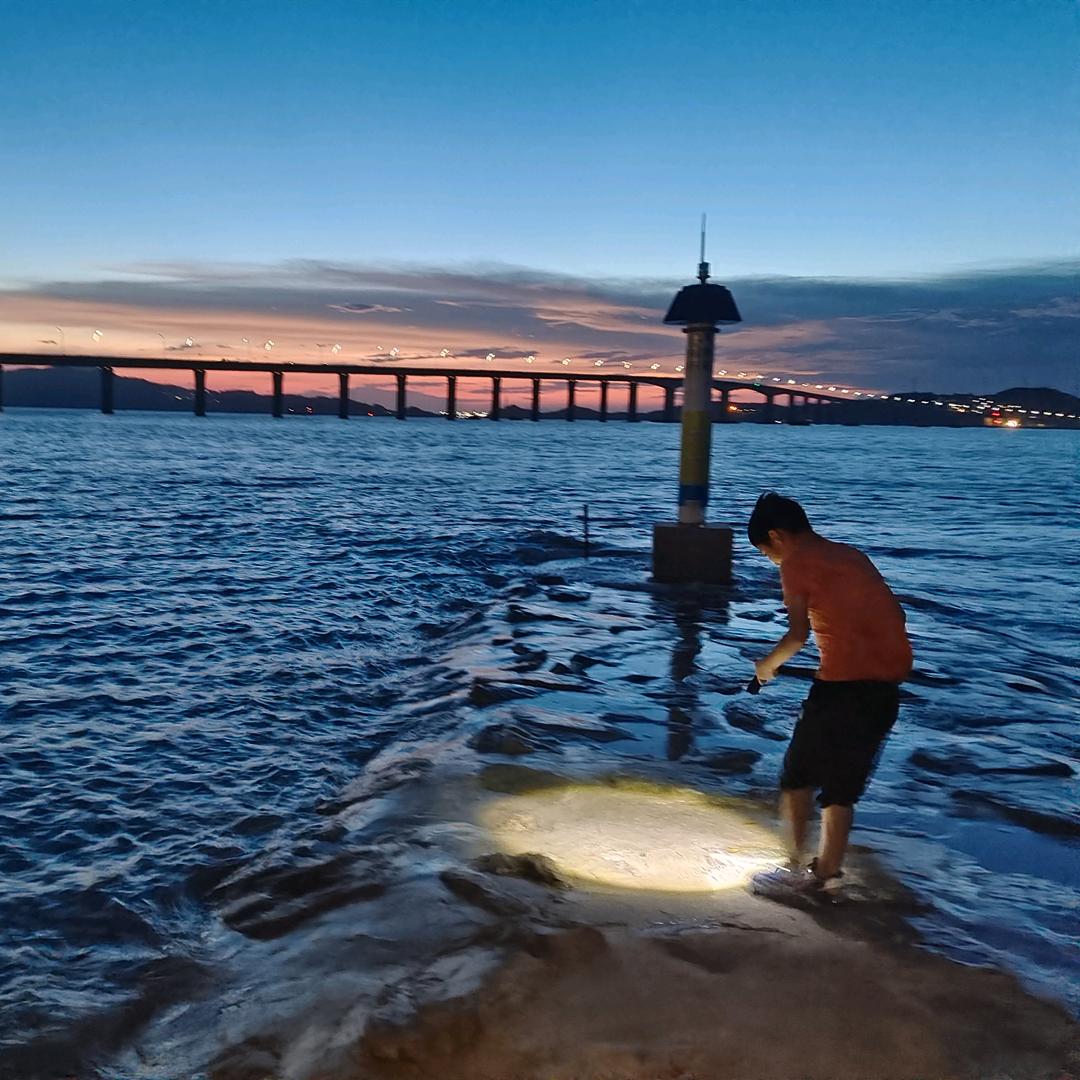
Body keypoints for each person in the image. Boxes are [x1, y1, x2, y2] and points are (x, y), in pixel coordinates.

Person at [746, 492, 912, 902]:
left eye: (767, 553)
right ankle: (827, 875)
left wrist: (767, 666)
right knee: (842, 789)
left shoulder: (797, 563)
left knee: (797, 777)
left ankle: (793, 865)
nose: (772, 562)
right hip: (885, 690)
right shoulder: (850, 555)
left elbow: (798, 635)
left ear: (776, 536)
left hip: (841, 688)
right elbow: (896, 613)